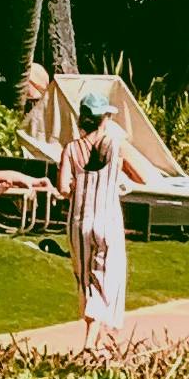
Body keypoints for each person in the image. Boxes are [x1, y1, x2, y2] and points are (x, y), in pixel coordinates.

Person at [58, 95, 130, 346]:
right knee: (107, 279)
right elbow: (141, 174)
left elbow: (64, 188)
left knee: (86, 281)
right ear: (104, 119)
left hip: (78, 221)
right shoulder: (115, 145)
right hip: (107, 220)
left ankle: (96, 341)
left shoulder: (71, 149)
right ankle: (91, 344)